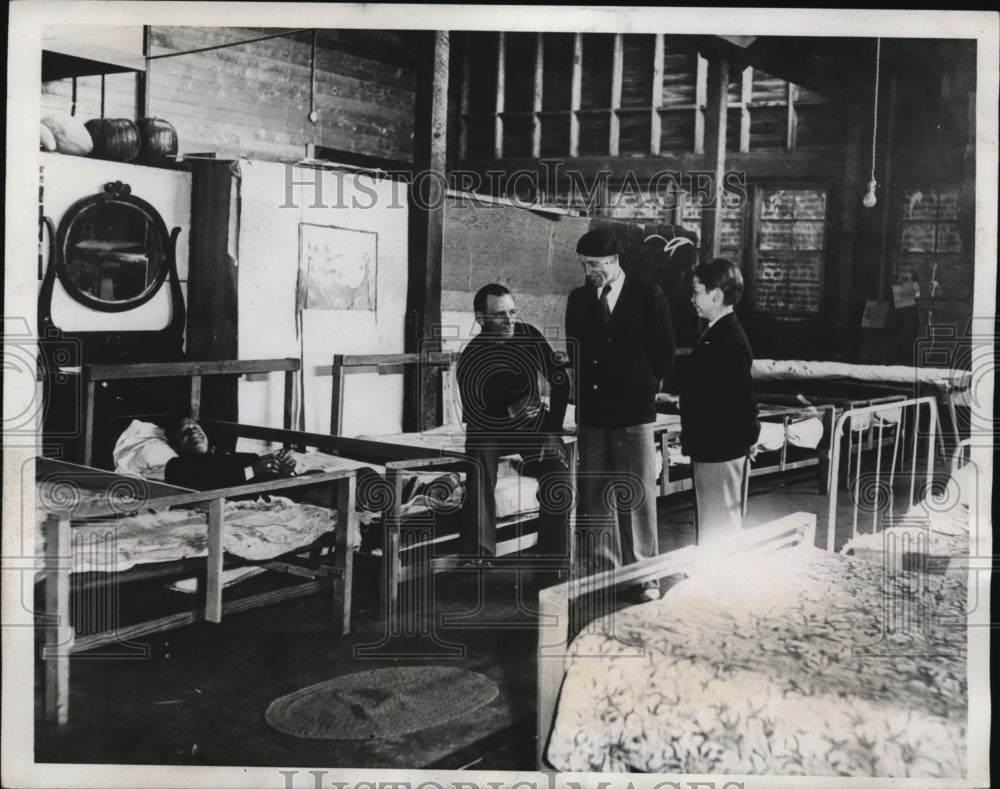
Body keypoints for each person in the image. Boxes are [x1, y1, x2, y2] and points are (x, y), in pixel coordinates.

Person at [565, 229, 675, 601]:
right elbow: (576, 352)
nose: (588, 272)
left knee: (637, 495)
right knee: (595, 495)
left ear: (614, 262)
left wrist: (640, 384)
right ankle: (603, 575)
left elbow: (664, 351)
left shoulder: (647, 294)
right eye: (584, 265)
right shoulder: (579, 299)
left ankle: (645, 576)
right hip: (594, 412)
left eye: (594, 265)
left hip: (633, 411)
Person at [456, 283, 571, 562]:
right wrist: (508, 413)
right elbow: (473, 414)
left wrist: (552, 430)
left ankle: (552, 555)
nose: (509, 320)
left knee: (558, 470)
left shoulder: (528, 335)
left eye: (512, 312)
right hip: (490, 428)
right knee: (479, 456)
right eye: (499, 315)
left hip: (532, 426)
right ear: (481, 318)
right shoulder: (471, 356)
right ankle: (478, 552)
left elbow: (560, 379)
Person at [679, 258, 761, 547]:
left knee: (719, 530)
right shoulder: (717, 332)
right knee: (713, 526)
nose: (692, 299)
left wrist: (749, 438)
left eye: (696, 292)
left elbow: (742, 399)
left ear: (716, 295)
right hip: (712, 448)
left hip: (720, 450)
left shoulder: (729, 339)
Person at [164, 416, 297, 490]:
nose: (193, 432)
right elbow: (208, 482)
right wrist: (252, 471)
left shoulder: (236, 457)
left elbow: (265, 476)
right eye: (185, 432)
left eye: (196, 428)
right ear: (176, 445)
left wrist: (281, 469)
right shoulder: (176, 466)